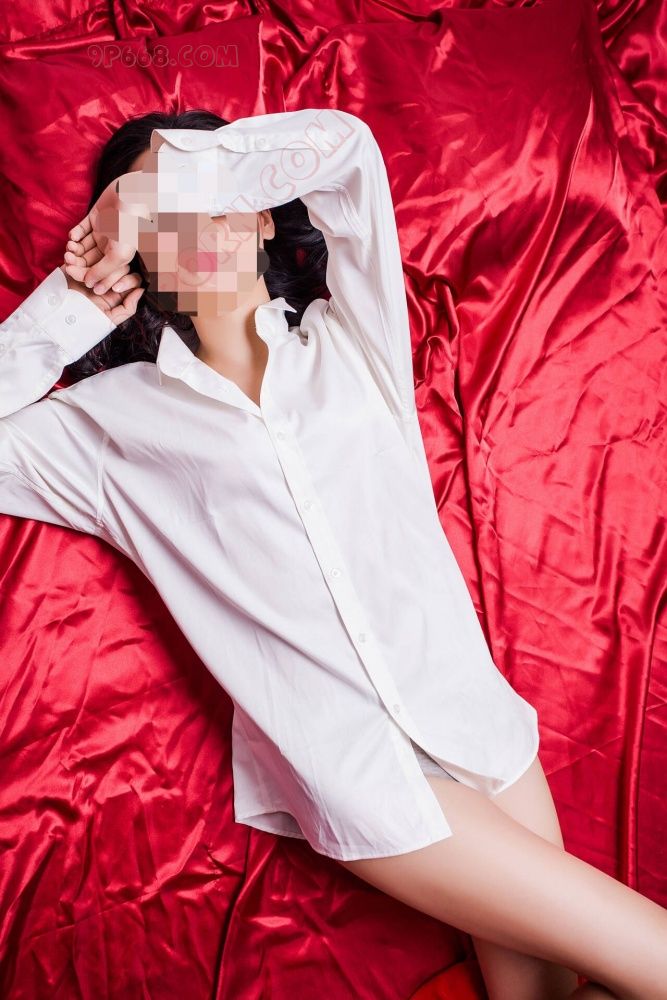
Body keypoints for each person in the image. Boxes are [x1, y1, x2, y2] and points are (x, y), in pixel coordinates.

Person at [1, 106, 665, 1000]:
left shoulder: (351, 338)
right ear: (136, 260)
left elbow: (347, 152)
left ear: (261, 216)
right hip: (359, 773)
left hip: (478, 725)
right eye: (161, 220)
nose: (195, 227)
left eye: (214, 196)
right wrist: (73, 304)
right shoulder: (113, 427)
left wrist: (149, 192)